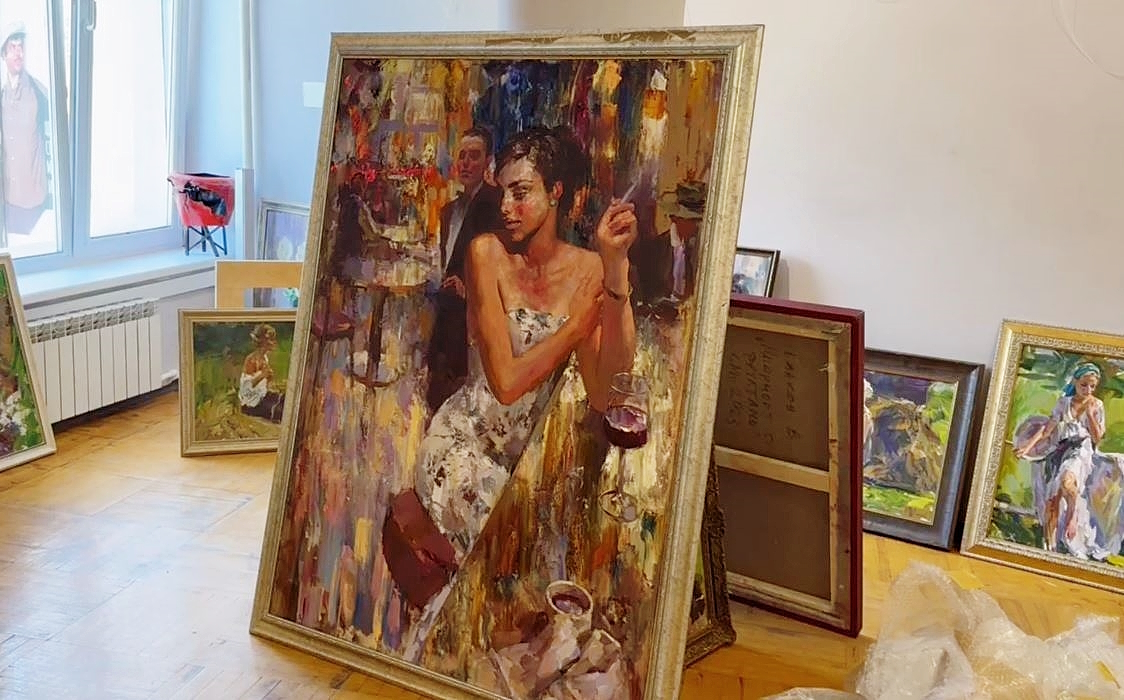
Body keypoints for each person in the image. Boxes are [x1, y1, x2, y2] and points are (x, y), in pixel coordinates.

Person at [391, 125, 638, 658]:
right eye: (503, 191)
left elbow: (605, 393)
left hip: (532, 453)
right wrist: (574, 328)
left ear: (556, 193)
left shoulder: (589, 269)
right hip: (469, 441)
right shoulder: (486, 254)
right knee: (505, 545)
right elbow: (503, 384)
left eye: (521, 192)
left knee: (556, 559)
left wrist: (615, 269)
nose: (506, 206)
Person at [425, 127, 505, 412]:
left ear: (488, 162)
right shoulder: (449, 211)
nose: (467, 163)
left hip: (476, 328)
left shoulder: (497, 206)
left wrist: (468, 289)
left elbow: (505, 268)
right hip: (447, 321)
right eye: (462, 156)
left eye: (475, 156)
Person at [1014, 362, 1118, 559]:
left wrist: (1090, 415)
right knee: (1052, 499)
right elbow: (1047, 430)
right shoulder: (1064, 402)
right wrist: (1026, 447)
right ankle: (1049, 548)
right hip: (1061, 449)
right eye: (1084, 385)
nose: (1088, 390)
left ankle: (1072, 515)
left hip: (1082, 449)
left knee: (1067, 481)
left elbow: (1097, 437)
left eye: (1092, 386)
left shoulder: (1096, 405)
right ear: (1075, 382)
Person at [1, 22, 50, 236]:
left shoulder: (39, 93)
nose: (18, 53)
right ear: (3, 54)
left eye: (21, 47)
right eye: (12, 47)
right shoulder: (2, 96)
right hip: (7, 204)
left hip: (34, 206)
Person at [630, 180, 705, 315]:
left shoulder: (699, 250)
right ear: (675, 218)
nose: (695, 226)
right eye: (690, 220)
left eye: (696, 220)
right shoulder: (655, 250)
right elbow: (645, 292)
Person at [239, 324, 285, 423]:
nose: (274, 342)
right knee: (279, 411)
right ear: (262, 341)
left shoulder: (264, 358)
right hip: (251, 404)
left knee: (285, 400)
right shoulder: (251, 360)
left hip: (262, 397)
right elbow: (245, 389)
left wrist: (268, 380)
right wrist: (262, 375)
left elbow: (263, 386)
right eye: (271, 339)